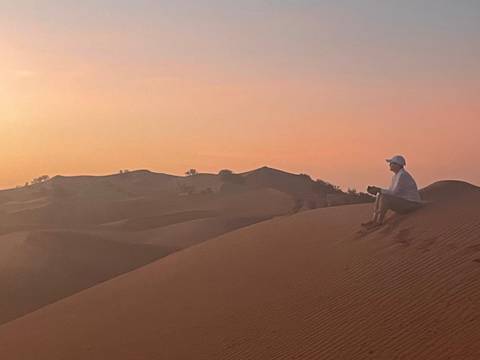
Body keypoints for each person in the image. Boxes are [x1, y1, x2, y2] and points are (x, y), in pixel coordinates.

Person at [362, 155, 422, 229]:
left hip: (411, 204)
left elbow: (393, 193)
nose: (389, 165)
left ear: (397, 165)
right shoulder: (397, 176)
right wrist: (378, 190)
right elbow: (391, 192)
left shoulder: (402, 175)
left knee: (384, 197)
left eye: (391, 163)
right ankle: (374, 220)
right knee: (380, 195)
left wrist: (379, 189)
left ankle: (378, 222)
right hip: (406, 202)